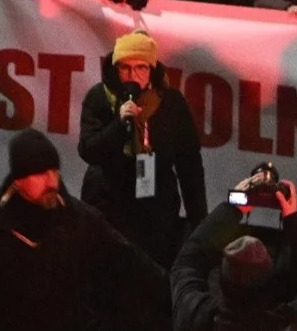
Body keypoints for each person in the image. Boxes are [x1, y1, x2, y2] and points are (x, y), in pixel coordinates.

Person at [0, 129, 165, 331]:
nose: (51, 181)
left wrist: (184, 295)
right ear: (18, 180)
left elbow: (132, 265)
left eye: (54, 171)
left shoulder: (81, 222)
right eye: (39, 173)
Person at [76, 30, 205, 261]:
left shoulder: (171, 103)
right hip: (108, 203)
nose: (132, 75)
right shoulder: (100, 97)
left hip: (155, 209)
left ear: (152, 69)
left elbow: (190, 165)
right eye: (125, 67)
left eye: (141, 67)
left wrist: (200, 224)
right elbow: (89, 150)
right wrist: (119, 124)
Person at [169, 168, 297, 331]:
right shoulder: (288, 323)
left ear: (220, 283)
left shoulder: (196, 315)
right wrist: (295, 221)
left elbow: (187, 261)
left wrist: (232, 208)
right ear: (270, 288)